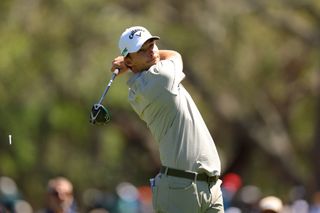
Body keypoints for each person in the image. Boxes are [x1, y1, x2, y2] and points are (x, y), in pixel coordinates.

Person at [111, 26, 224, 213]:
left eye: (152, 45)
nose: (152, 52)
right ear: (129, 60)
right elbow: (175, 55)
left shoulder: (141, 85)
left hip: (209, 186)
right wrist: (126, 62)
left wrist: (127, 63)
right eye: (142, 50)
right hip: (181, 189)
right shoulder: (160, 78)